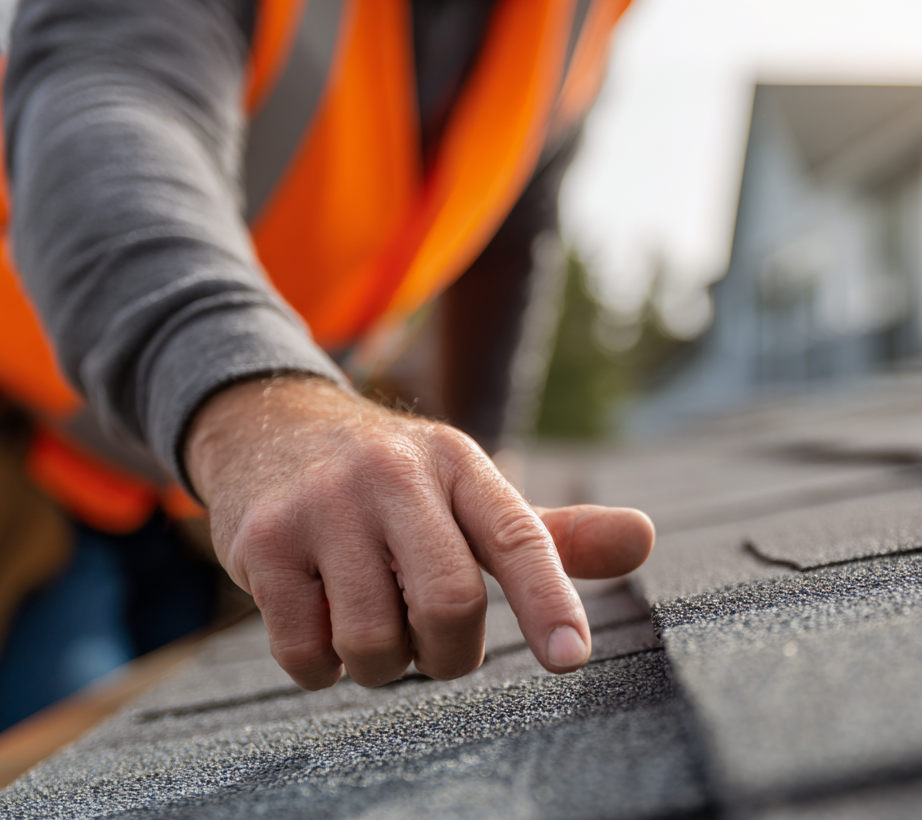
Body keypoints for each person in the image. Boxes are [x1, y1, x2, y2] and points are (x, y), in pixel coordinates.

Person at [0, 0, 655, 723]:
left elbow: (512, 217)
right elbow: (102, 116)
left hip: (201, 497)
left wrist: (479, 472)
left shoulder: (579, 16)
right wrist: (263, 412)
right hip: (34, 445)